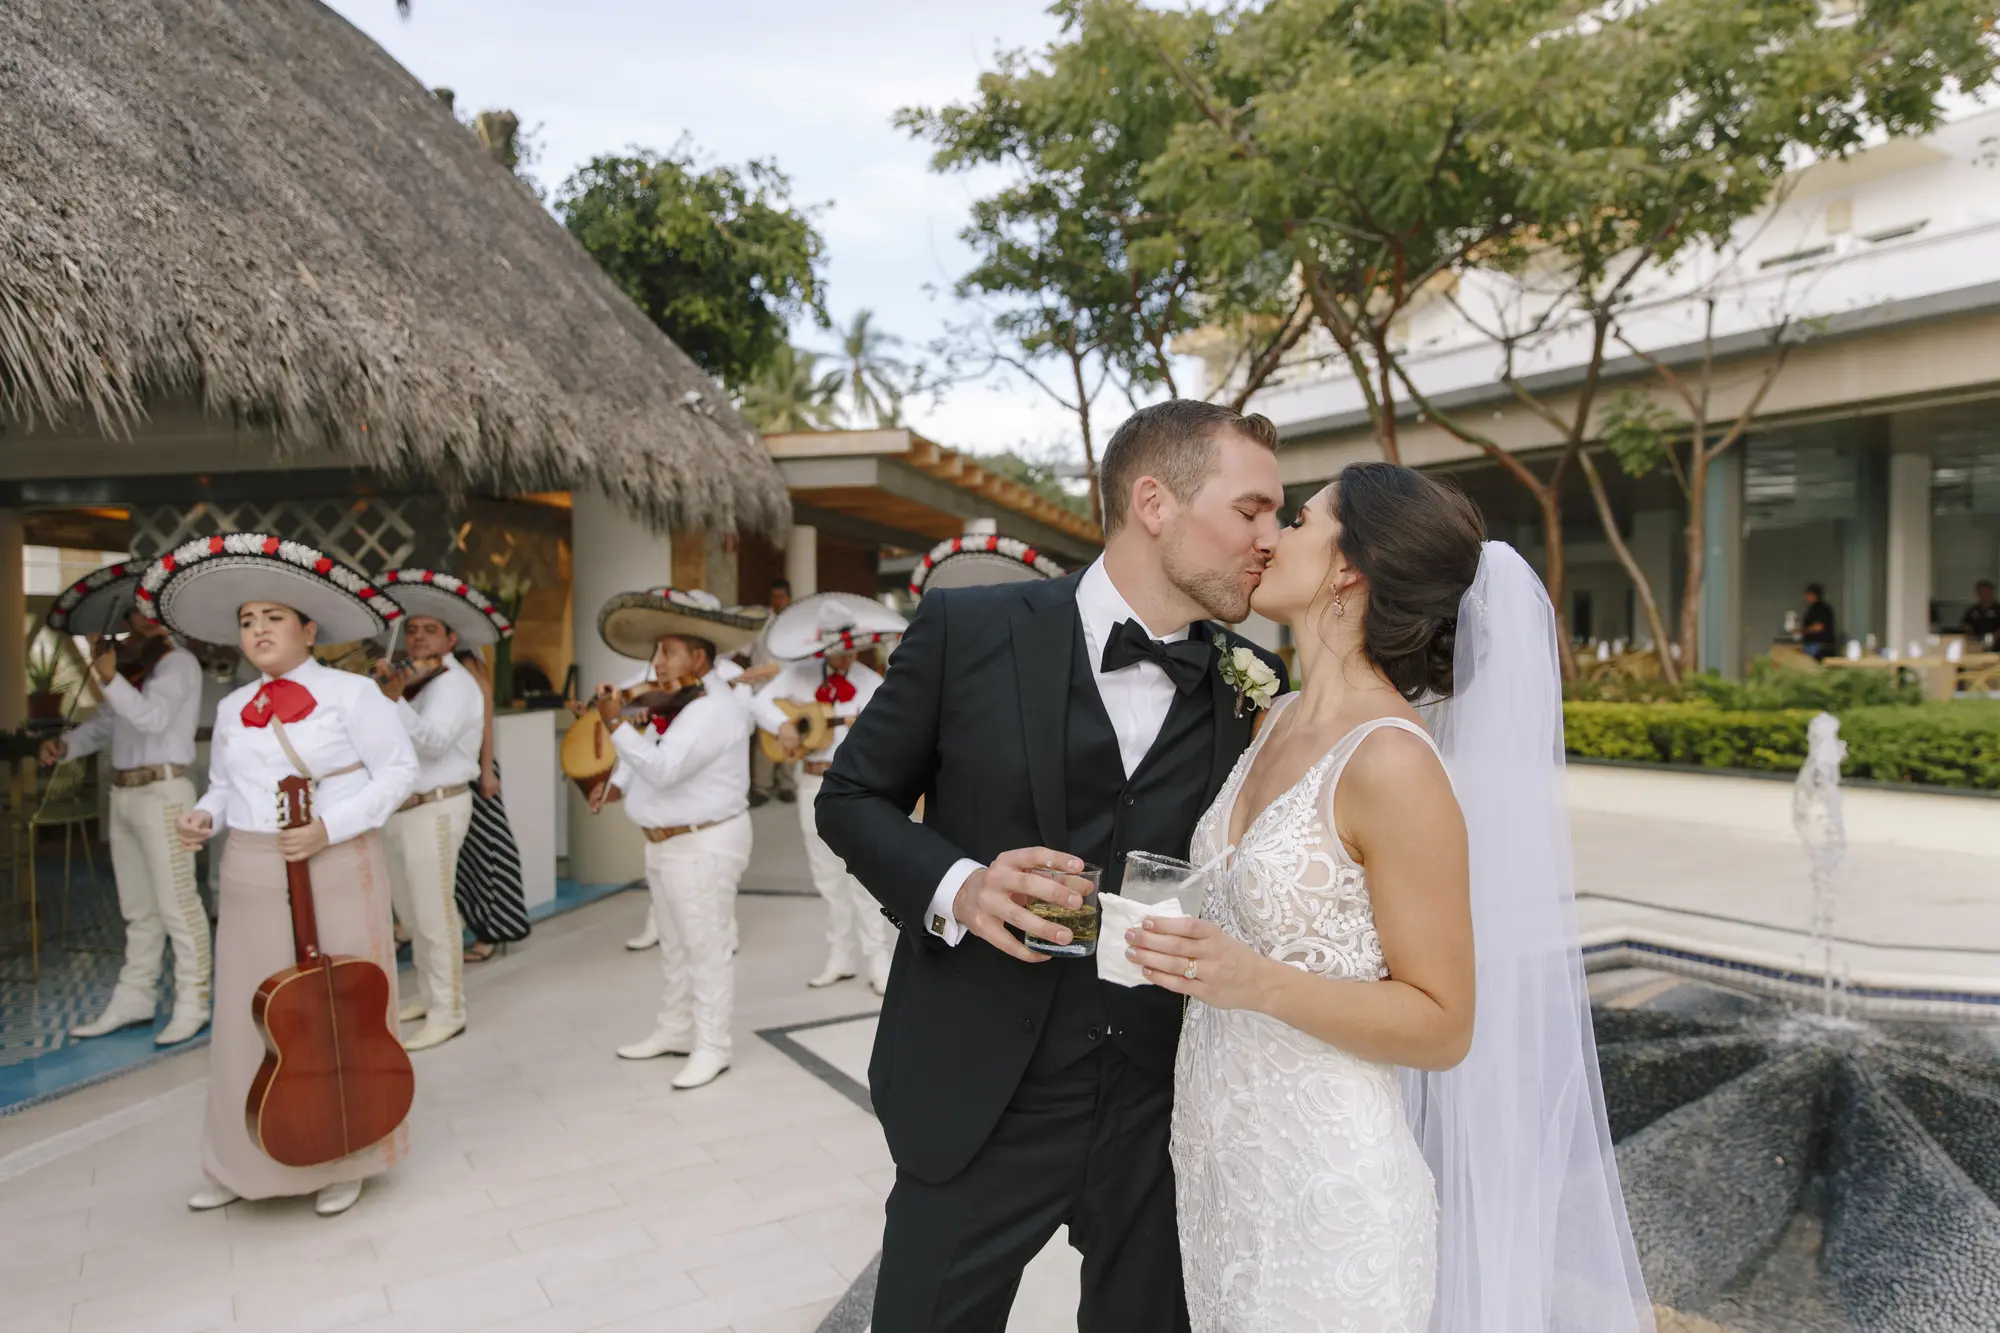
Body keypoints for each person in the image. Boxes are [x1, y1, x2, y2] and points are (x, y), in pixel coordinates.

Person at [1127, 464, 1651, 1331]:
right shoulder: (1272, 718)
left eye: (1299, 520)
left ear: (1349, 568)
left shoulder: (1393, 762)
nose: (1270, 537)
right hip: (1223, 1171)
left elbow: (1444, 1023)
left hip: (1332, 1194)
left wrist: (1254, 981)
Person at [818, 399, 1290, 1331]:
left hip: (1159, 1103)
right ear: (1153, 502)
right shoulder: (966, 628)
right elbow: (851, 797)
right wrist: (962, 885)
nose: (1270, 538)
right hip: (982, 1092)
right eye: (1252, 510)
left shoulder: (1249, 681)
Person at [145, 532, 418, 1218]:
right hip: (251, 866)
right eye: (247, 621)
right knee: (249, 1014)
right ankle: (236, 1161)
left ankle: (347, 1156)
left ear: (309, 629)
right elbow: (222, 786)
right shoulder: (233, 707)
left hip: (336, 860)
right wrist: (204, 816)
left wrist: (331, 825)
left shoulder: (353, 694)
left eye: (274, 617)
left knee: (340, 1010)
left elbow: (399, 772)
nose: (259, 630)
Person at [584, 588, 761, 1090]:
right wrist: (618, 784)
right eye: (656, 652)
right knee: (676, 947)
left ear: (699, 658)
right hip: (668, 844)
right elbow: (651, 751)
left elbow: (663, 768)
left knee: (705, 947)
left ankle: (713, 1046)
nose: (656, 662)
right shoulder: (680, 702)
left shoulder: (713, 708)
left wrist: (614, 722)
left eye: (667, 651)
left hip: (703, 843)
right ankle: (675, 1030)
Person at [41, 563, 211, 1046]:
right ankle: (135, 998)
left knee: (178, 905)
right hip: (125, 794)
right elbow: (107, 726)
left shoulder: (178, 663)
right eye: (138, 612)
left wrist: (110, 678)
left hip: (163, 792)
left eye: (154, 611)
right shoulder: (134, 666)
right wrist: (67, 745)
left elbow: (152, 720)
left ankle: (194, 1001)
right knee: (138, 909)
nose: (145, 619)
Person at [372, 568, 512, 1050]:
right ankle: (428, 995)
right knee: (412, 917)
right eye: (412, 629)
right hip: (403, 809)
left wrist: (393, 700)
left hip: (436, 807)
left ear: (451, 639)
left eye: (429, 630)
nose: (417, 637)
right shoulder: (416, 681)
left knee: (435, 915)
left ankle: (449, 1010)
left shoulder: (454, 683)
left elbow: (432, 743)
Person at [755, 593, 908, 994]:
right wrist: (782, 724)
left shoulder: (871, 682)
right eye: (838, 651)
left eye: (850, 649)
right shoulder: (799, 674)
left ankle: (878, 960)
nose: (845, 657)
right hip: (811, 780)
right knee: (826, 876)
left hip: (855, 786)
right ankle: (840, 957)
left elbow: (894, 733)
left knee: (861, 875)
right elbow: (759, 704)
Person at [454, 649, 530, 962]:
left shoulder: (469, 665)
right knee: (463, 856)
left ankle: (493, 928)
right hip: (449, 770)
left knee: (487, 847)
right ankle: (475, 924)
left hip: (474, 768)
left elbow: (485, 724)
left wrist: (486, 771)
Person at [747, 577, 797, 807]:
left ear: (789, 598)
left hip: (790, 688)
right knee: (764, 737)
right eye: (774, 597)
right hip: (763, 688)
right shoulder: (760, 624)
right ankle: (762, 787)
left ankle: (786, 784)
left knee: (791, 733)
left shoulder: (795, 624)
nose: (777, 601)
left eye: (781, 597)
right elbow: (745, 649)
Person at [1800, 583, 1838, 660]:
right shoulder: (1812, 609)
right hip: (1812, 644)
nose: (1806, 597)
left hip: (1819, 646)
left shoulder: (1822, 609)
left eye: (1808, 595)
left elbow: (1819, 627)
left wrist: (1803, 630)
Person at [1963, 579, 2000, 650]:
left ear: (1991, 592)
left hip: (1996, 645)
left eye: (1986, 591)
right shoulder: (1972, 610)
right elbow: (1967, 625)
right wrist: (1971, 636)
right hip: (1977, 644)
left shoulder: (1998, 609)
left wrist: (1995, 637)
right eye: (1980, 592)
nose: (1983, 594)